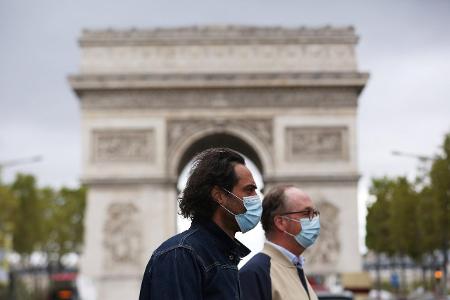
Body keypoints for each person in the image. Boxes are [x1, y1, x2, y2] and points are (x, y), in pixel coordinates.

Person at [139, 147, 262, 300]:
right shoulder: (180, 255)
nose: (256, 197)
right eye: (249, 190)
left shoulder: (223, 256)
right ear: (219, 196)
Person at [239, 185, 320, 300]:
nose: (314, 220)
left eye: (315, 214)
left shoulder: (295, 267)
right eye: (307, 213)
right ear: (281, 222)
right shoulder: (254, 274)